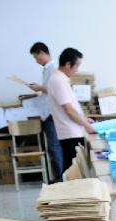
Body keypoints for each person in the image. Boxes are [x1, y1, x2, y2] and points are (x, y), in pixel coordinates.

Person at [46, 47, 95, 175]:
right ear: (68, 64)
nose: (77, 70)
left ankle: (67, 191)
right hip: (70, 132)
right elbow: (69, 111)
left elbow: (72, 108)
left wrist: (84, 120)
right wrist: (87, 125)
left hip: (73, 130)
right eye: (76, 66)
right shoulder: (58, 81)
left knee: (73, 168)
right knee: (71, 170)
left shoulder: (61, 78)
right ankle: (66, 192)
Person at [28, 42, 64, 180]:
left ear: (42, 53)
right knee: (53, 147)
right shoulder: (48, 69)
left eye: (36, 57)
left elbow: (54, 89)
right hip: (48, 113)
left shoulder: (53, 68)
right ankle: (59, 177)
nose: (36, 61)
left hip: (51, 114)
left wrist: (39, 88)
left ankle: (60, 178)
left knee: (54, 147)